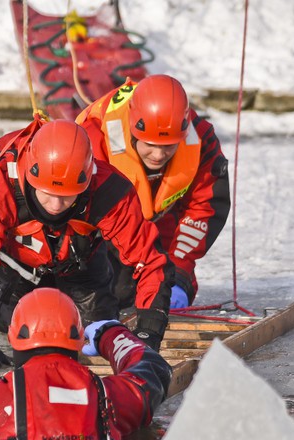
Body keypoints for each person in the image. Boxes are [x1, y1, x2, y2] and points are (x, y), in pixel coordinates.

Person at [0, 117, 174, 370]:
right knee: (34, 324)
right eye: (48, 193)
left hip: (79, 264)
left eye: (67, 196)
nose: (56, 206)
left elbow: (150, 259)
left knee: (97, 324)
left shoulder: (109, 190)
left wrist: (148, 332)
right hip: (18, 270)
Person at [0, 288, 172, 440]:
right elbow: (154, 370)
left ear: (15, 338)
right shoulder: (109, 397)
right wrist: (111, 335)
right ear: (78, 340)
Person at [76, 74, 231, 310]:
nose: (158, 156)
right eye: (149, 144)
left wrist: (179, 271)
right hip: (106, 230)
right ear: (132, 128)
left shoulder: (201, 140)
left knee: (170, 283)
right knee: (111, 292)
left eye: (168, 146)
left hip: (161, 222)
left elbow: (204, 206)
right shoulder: (94, 140)